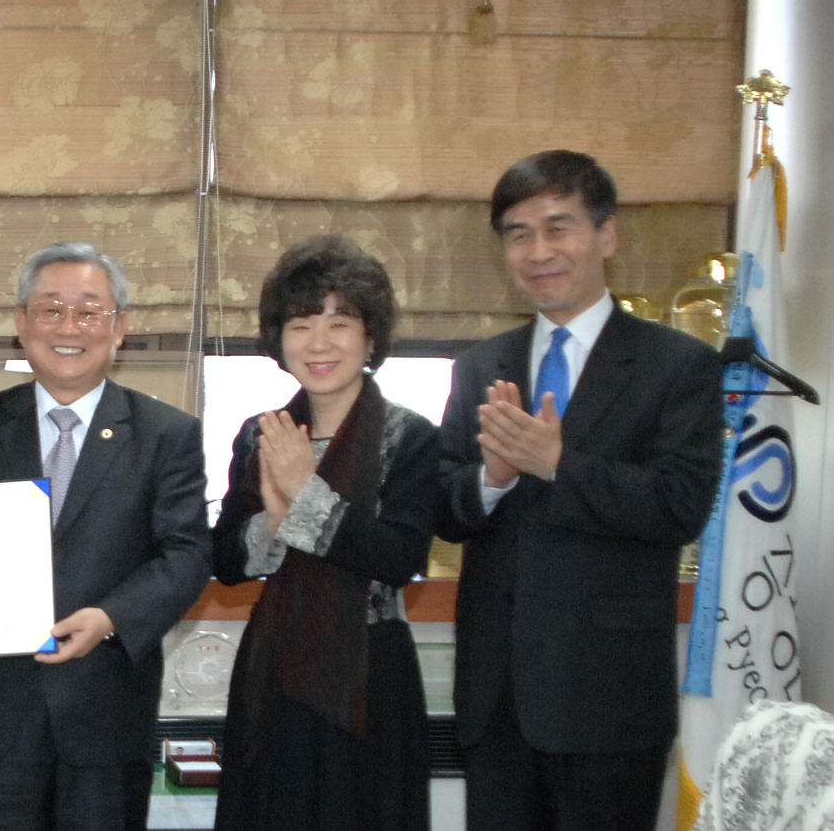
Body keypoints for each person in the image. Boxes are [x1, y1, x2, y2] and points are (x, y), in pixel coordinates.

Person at [439, 150, 724, 831]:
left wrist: (558, 463)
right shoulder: (482, 364)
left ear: (607, 235)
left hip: (610, 700)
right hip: (497, 696)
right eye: (518, 234)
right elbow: (442, 507)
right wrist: (492, 479)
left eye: (558, 227)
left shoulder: (677, 363)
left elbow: (679, 503)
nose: (538, 251)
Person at [0, 242, 211, 831]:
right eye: (50, 309)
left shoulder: (167, 434)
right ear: (21, 323)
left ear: (120, 329)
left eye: (89, 312)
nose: (70, 328)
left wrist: (110, 617)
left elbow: (187, 554)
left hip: (108, 711)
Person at [210, 236, 437, 830]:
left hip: (371, 676)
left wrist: (306, 497)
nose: (318, 344)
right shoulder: (262, 435)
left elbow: (399, 557)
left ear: (370, 337)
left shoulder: (410, 437)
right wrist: (278, 523)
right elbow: (228, 560)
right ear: (279, 340)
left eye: (340, 323)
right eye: (301, 324)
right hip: (273, 670)